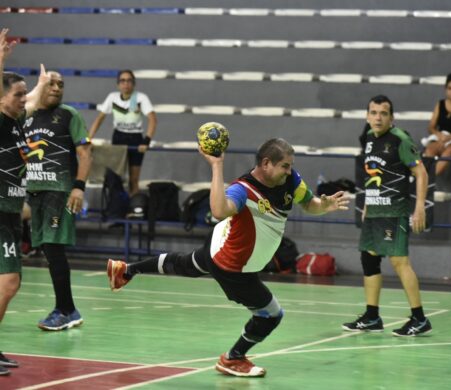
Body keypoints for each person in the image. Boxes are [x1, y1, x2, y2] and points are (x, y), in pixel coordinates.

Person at [107, 138, 349, 377]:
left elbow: (310, 205)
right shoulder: (243, 189)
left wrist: (324, 206)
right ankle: (233, 359)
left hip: (219, 246)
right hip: (233, 267)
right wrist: (216, 165)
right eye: (285, 165)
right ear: (266, 164)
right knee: (271, 315)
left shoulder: (291, 180)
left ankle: (126, 269)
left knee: (184, 264)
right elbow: (219, 211)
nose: (289, 170)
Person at [342, 95, 432, 337]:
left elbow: (421, 172)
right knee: (369, 258)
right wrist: (368, 205)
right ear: (367, 115)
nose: (378, 117)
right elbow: (375, 175)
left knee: (399, 261)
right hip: (375, 209)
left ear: (391, 117)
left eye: (383, 113)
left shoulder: (400, 139)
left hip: (394, 211)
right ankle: (372, 316)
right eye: (373, 112)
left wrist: (420, 206)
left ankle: (419, 318)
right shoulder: (370, 139)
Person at [23, 69, 93, 331]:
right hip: (33, 192)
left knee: (54, 249)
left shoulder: (68, 115)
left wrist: (78, 187)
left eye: (60, 85)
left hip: (59, 190)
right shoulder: (26, 116)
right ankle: (67, 309)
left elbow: (85, 153)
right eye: (51, 84)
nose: (56, 88)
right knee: (46, 250)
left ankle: (66, 309)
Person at [0, 28, 48, 374]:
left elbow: (31, 100)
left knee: (8, 284)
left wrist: (42, 85)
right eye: (16, 94)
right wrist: (1, 59)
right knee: (9, 282)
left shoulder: (16, 122)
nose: (23, 99)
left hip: (11, 213)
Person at [88, 70, 157, 196]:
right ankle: (117, 209)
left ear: (134, 83)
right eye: (123, 80)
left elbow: (153, 119)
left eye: (129, 80)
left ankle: (133, 210)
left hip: (136, 139)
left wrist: (146, 141)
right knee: (115, 178)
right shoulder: (112, 97)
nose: (126, 84)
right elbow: (99, 119)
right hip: (118, 137)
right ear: (118, 84)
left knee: (133, 180)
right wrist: (88, 139)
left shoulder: (141, 98)